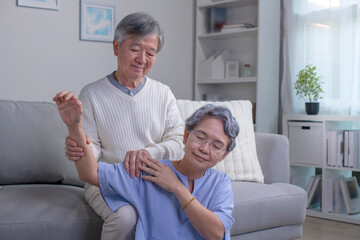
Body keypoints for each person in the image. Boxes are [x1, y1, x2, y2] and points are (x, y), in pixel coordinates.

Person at [53, 91, 240, 239]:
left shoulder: (220, 183)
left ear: (224, 155)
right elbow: (90, 174)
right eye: (200, 137)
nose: (205, 149)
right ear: (185, 136)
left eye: (217, 146)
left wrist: (176, 187)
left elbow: (216, 233)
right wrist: (75, 126)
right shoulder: (151, 171)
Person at [63, 12, 184, 240]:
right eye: (135, 49)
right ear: (117, 47)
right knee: (126, 216)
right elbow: (93, 151)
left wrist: (149, 152)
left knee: (176, 211)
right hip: (106, 181)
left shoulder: (163, 93)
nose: (142, 58)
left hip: (152, 181)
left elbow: (179, 142)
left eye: (151, 52)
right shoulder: (91, 94)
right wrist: (80, 148)